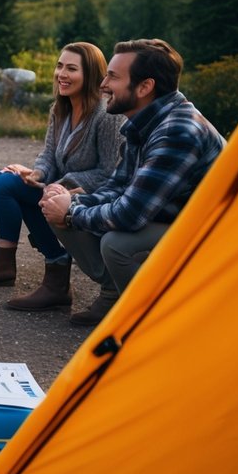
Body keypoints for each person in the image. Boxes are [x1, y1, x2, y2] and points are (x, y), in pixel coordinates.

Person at [40, 38, 225, 326]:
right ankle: (115, 294)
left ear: (144, 87)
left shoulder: (177, 131)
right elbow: (118, 186)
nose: (102, 85)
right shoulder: (142, 122)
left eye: (113, 77)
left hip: (212, 237)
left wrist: (73, 211)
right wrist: (67, 202)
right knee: (58, 209)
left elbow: (130, 212)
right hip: (173, 219)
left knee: (117, 243)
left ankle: (158, 319)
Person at [0, 43, 124, 313]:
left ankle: (50, 270)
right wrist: (35, 173)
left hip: (85, 193)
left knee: (5, 186)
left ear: (92, 74)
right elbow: (47, 154)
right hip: (55, 185)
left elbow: (109, 172)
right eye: (60, 66)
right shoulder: (59, 109)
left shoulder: (105, 116)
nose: (62, 73)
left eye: (72, 69)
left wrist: (62, 183)